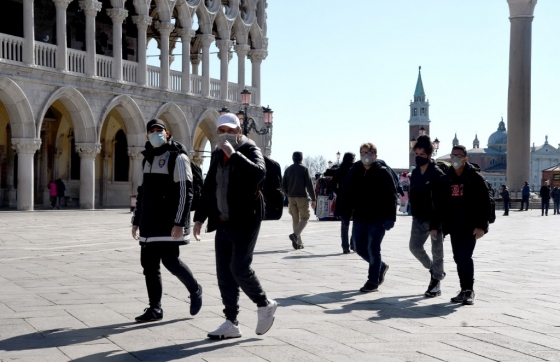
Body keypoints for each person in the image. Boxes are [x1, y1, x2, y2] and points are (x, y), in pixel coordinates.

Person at [193, 113, 276, 339]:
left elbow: (259, 174)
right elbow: (210, 185)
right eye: (221, 131)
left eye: (230, 130)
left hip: (246, 218)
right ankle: (231, 322)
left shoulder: (250, 149)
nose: (225, 135)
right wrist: (199, 217)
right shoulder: (217, 154)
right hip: (223, 220)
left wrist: (234, 154)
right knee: (224, 274)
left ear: (239, 131)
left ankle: (264, 304)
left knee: (240, 267)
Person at [132, 119, 202, 323]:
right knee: (149, 265)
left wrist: (180, 222)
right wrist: (136, 220)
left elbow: (185, 192)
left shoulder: (177, 158)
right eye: (152, 131)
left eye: (159, 131)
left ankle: (195, 289)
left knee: (171, 262)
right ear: (147, 136)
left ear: (167, 133)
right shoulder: (146, 160)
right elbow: (142, 192)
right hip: (148, 222)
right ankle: (155, 308)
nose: (156, 134)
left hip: (168, 222)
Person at [337, 142, 396, 293]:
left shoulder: (383, 172)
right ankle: (380, 266)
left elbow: (391, 196)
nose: (366, 156)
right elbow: (347, 192)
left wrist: (391, 217)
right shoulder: (355, 170)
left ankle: (372, 281)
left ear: (375, 156)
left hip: (377, 218)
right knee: (358, 247)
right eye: (363, 153)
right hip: (359, 216)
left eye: (369, 153)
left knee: (373, 248)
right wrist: (344, 213)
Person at [441, 145, 490, 306]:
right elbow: (442, 203)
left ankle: (469, 290)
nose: (455, 158)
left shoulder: (475, 177)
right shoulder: (448, 177)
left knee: (464, 256)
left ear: (465, 158)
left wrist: (482, 226)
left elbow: (485, 202)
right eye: (453, 155)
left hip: (470, 226)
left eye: (458, 155)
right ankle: (463, 289)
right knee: (457, 258)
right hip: (454, 225)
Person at [408, 135, 446, 298]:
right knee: (414, 247)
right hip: (418, 217)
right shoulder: (415, 173)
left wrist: (436, 224)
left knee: (437, 251)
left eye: (422, 155)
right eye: (417, 155)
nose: (418, 158)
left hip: (434, 218)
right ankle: (434, 270)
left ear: (430, 155)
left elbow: (441, 202)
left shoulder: (437, 174)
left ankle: (436, 282)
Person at [282, 151, 316, 250]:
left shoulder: (288, 169)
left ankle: (298, 243)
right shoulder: (304, 169)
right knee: (305, 217)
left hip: (291, 197)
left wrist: (288, 194)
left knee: (295, 219)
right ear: (301, 159)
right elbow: (309, 185)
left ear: (293, 159)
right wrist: (313, 198)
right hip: (301, 196)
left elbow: (283, 185)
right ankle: (295, 235)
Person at [333, 152, 356, 254]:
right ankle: (353, 244)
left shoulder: (339, 170)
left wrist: (338, 191)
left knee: (344, 223)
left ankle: (345, 246)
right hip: (355, 197)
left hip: (343, 198)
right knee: (356, 222)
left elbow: (332, 184)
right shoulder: (355, 168)